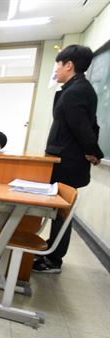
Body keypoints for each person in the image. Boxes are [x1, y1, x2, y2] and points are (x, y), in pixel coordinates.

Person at [33, 44, 104, 274]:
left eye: (58, 65)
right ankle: (52, 253)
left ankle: (53, 259)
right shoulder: (77, 88)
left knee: (61, 213)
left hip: (67, 162)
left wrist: (93, 151)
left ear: (69, 65)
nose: (56, 70)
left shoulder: (75, 91)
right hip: (66, 159)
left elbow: (83, 128)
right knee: (58, 213)